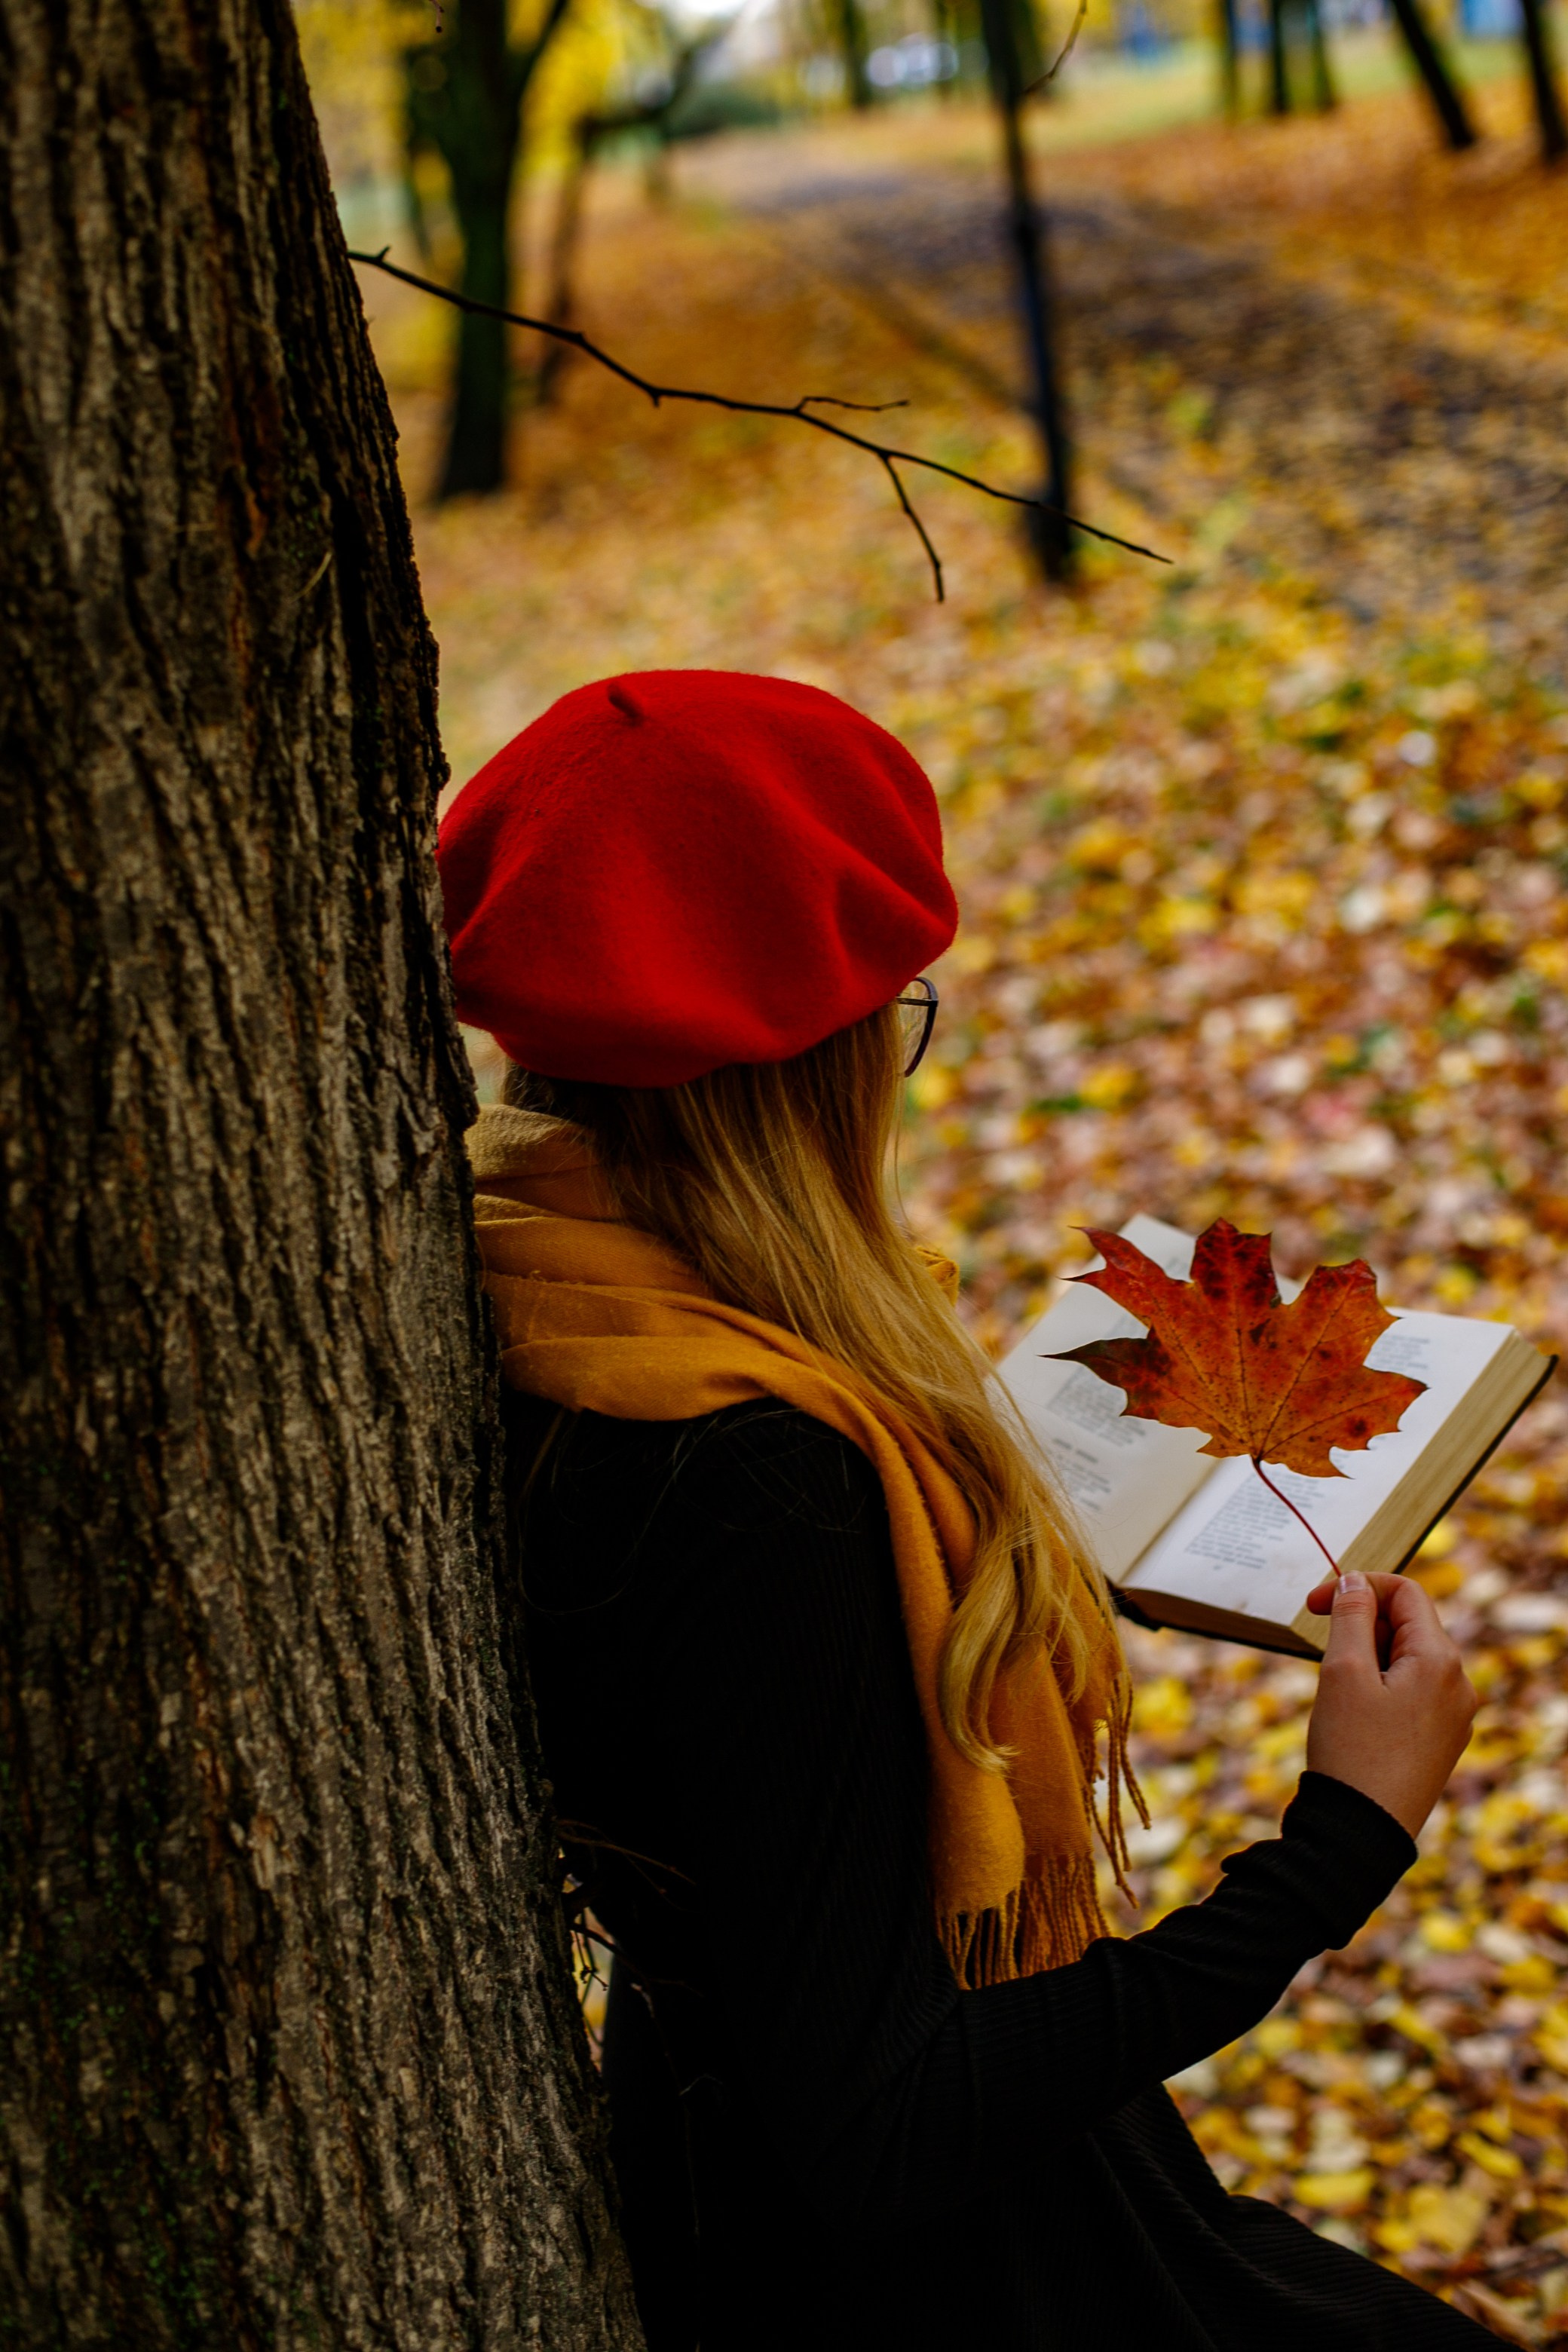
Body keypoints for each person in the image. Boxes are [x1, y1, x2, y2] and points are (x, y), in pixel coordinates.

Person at [438, 669, 1488, 2351]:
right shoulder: (760, 1479)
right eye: (896, 1007)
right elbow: (882, 2123)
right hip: (918, 2272)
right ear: (829, 1047)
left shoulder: (523, 1304)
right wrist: (1332, 1850)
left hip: (741, 2156)